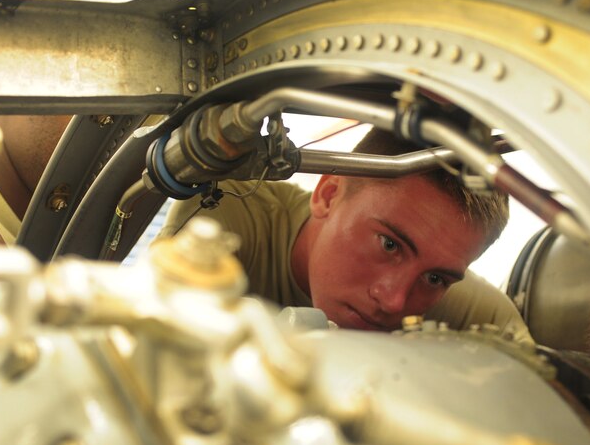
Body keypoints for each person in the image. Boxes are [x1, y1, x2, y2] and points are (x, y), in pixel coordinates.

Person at [159, 128, 532, 342]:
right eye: (389, 245)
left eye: (435, 279)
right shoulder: (224, 219)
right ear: (328, 195)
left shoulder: (471, 307)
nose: (394, 301)